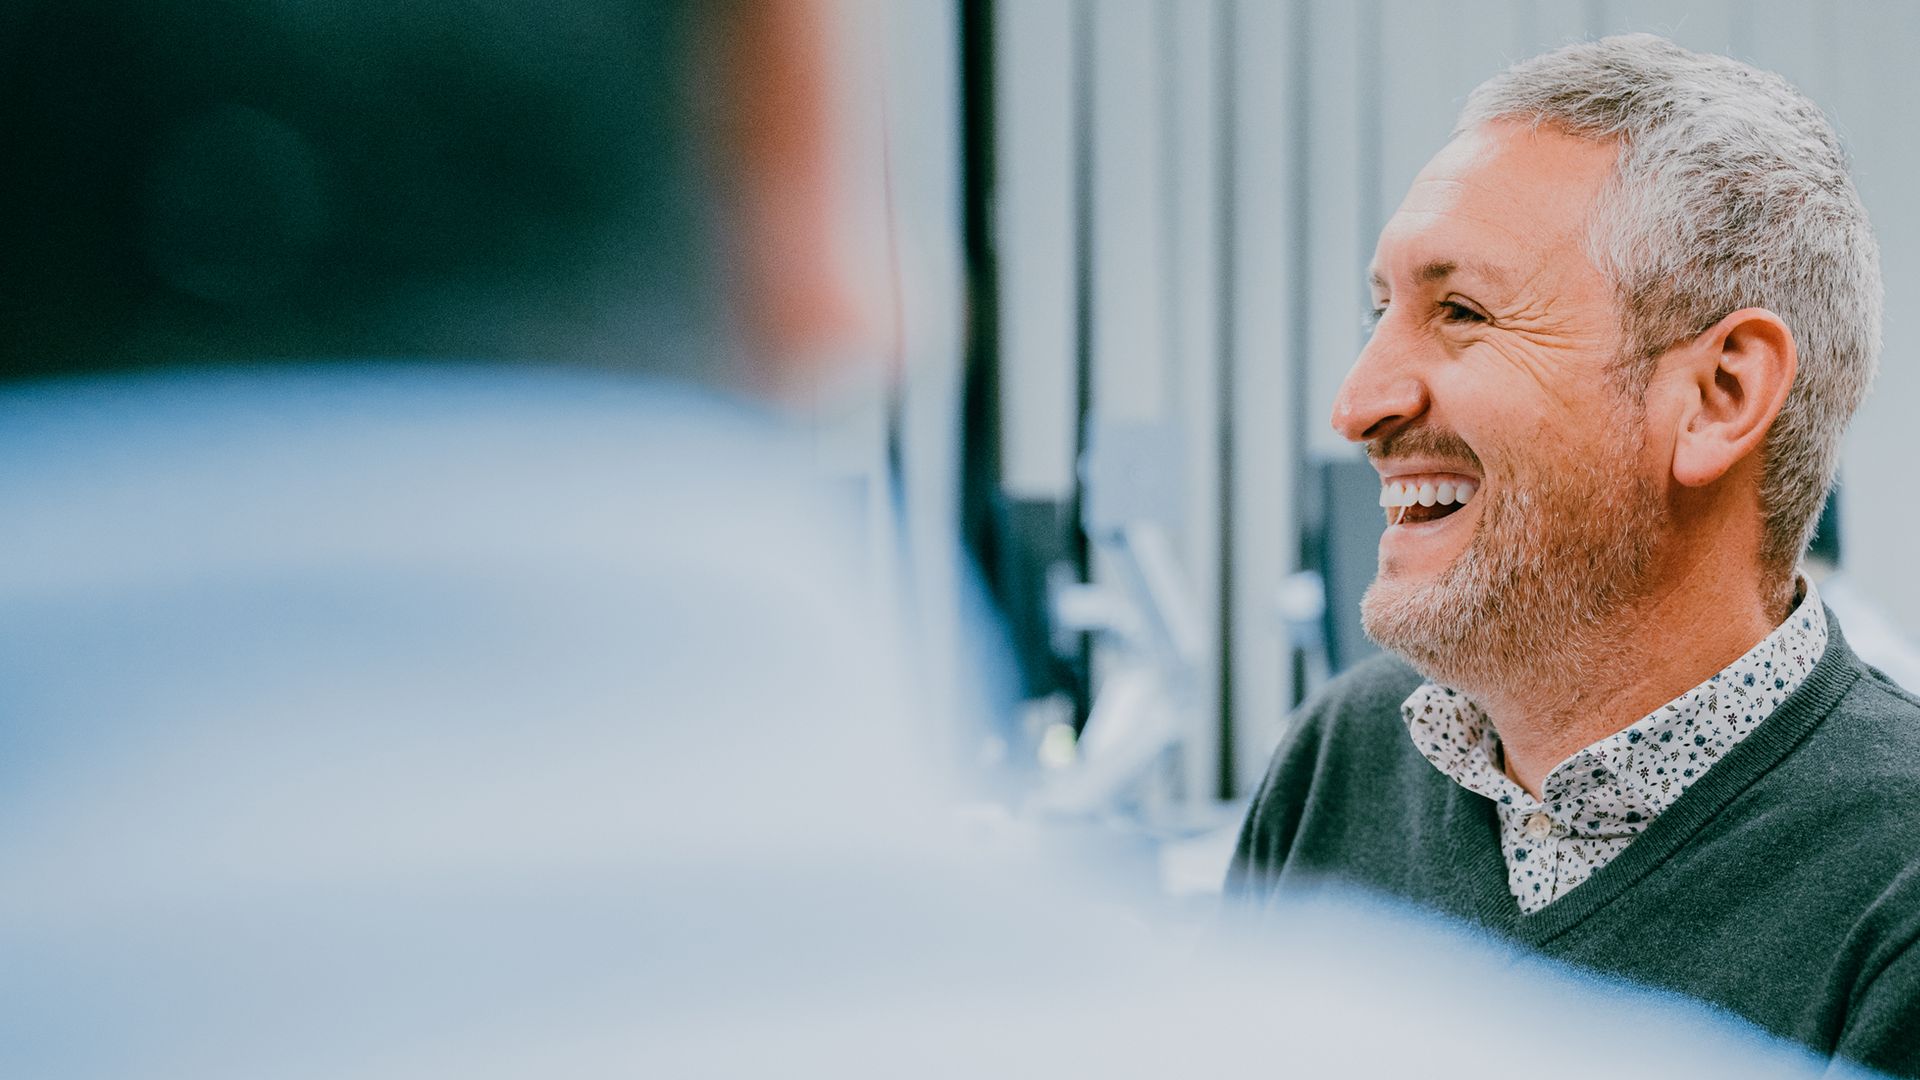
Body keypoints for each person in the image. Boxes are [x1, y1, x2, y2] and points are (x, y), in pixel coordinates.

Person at [1228, 34, 1920, 1077]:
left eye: (1462, 313)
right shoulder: (1347, 758)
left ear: (1719, 396)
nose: (1357, 404)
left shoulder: (1896, 895)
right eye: (1383, 312)